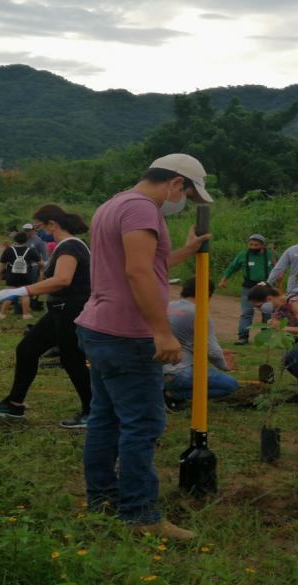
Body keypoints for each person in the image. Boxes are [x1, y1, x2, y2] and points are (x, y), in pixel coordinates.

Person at [74, 153, 213, 540]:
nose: (182, 199)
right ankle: (140, 516)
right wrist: (162, 332)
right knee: (143, 423)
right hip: (127, 334)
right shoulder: (141, 210)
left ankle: (102, 502)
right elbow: (137, 272)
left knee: (106, 419)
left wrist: (186, 250)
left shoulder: (114, 204)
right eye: (186, 192)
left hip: (99, 328)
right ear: (175, 184)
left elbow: (146, 263)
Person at [0, 205, 93, 428]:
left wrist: (20, 291)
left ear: (52, 224)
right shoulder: (64, 246)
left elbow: (63, 279)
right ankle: (14, 404)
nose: (36, 232)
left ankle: (94, 412)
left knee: (72, 360)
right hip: (57, 310)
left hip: (71, 310)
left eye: (38, 227)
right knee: (27, 349)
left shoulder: (70, 247)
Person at [163, 278, 238, 411]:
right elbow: (212, 351)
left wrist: (220, 350)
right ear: (208, 293)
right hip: (179, 373)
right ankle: (172, 395)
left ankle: (164, 389)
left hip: (159, 371)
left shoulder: (170, 306)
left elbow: (189, 341)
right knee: (230, 385)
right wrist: (225, 366)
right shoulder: (199, 312)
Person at [217, 233, 276, 345]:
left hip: (267, 288)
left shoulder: (271, 254)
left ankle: (266, 337)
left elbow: (282, 265)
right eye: (251, 244)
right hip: (249, 288)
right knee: (247, 312)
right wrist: (223, 280)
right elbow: (232, 268)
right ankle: (243, 337)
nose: (253, 247)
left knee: (268, 313)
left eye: (256, 245)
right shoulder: (243, 255)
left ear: (263, 245)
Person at [0, 231, 41, 320]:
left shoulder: (8, 250)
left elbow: (2, 264)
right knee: (25, 294)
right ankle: (25, 314)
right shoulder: (30, 250)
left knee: (9, 293)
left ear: (15, 239)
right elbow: (40, 263)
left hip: (12, 275)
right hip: (26, 275)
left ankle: (2, 314)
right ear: (26, 240)